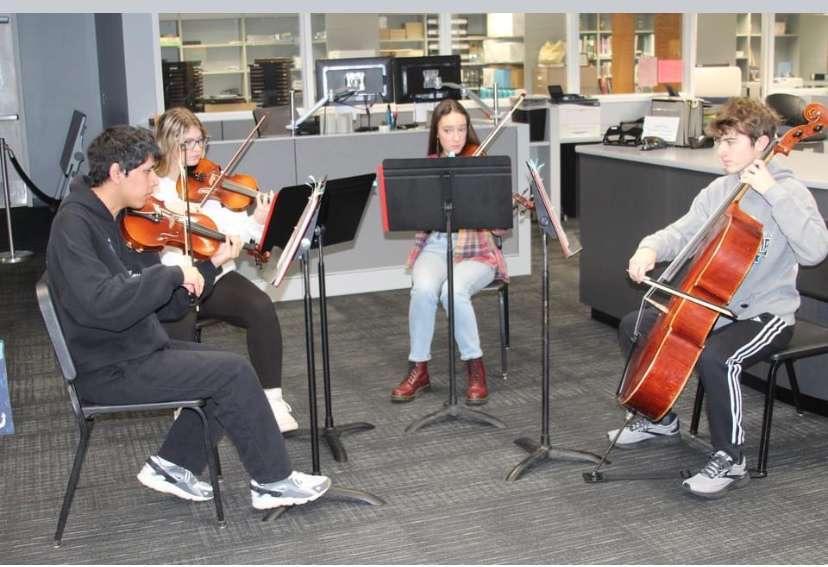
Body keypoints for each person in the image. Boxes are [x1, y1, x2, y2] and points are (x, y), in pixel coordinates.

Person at [46, 125, 329, 510]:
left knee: (226, 369)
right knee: (231, 374)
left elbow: (163, 305)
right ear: (116, 172)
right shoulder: (75, 224)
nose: (154, 181)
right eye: (147, 171)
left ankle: (173, 465)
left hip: (133, 347)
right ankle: (272, 482)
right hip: (107, 367)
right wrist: (171, 274)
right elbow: (102, 303)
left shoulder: (115, 220)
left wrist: (208, 267)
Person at [609, 98, 828, 499]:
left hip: (767, 314)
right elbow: (684, 232)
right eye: (719, 142)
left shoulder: (789, 192)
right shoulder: (722, 189)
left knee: (718, 357)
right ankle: (658, 418)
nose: (721, 152)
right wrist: (649, 249)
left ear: (762, 143)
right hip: (716, 305)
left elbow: (815, 251)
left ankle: (731, 458)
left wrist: (772, 191)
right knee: (634, 326)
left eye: (731, 142)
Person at [152, 107, 297, 432]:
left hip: (214, 272)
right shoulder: (154, 186)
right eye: (187, 143)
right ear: (167, 143)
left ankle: (272, 400)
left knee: (260, 306)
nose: (197, 150)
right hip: (175, 279)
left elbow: (234, 231)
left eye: (200, 141)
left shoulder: (210, 181)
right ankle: (184, 405)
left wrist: (256, 221)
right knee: (180, 319)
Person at [390, 99, 508, 405]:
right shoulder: (428, 168)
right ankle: (419, 368)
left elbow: (500, 230)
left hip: (476, 251)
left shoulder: (480, 164)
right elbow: (418, 218)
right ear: (437, 133)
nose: (455, 137)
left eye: (461, 129)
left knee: (453, 292)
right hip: (436, 246)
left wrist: (495, 207)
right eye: (447, 130)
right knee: (423, 289)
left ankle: (474, 367)